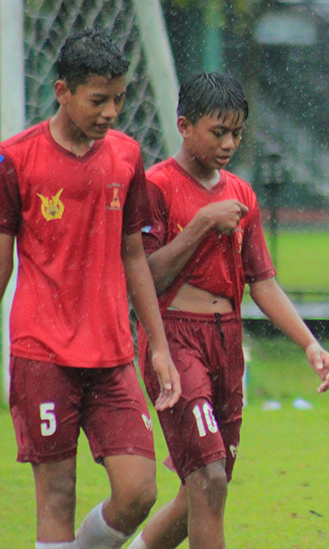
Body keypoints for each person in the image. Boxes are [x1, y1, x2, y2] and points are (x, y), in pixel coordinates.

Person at [126, 72, 329, 549]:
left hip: (227, 346)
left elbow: (262, 283)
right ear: (184, 125)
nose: (229, 143)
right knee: (209, 479)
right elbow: (146, 276)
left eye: (237, 132)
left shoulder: (242, 195)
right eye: (218, 132)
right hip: (175, 341)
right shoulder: (156, 186)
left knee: (201, 490)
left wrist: (309, 344)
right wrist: (201, 223)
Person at [0, 28, 181, 549]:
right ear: (63, 92)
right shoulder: (16, 160)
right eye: (98, 100)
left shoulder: (126, 157)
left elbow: (134, 256)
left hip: (111, 354)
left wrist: (160, 346)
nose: (111, 112)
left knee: (138, 492)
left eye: (119, 99)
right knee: (57, 497)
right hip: (43, 353)